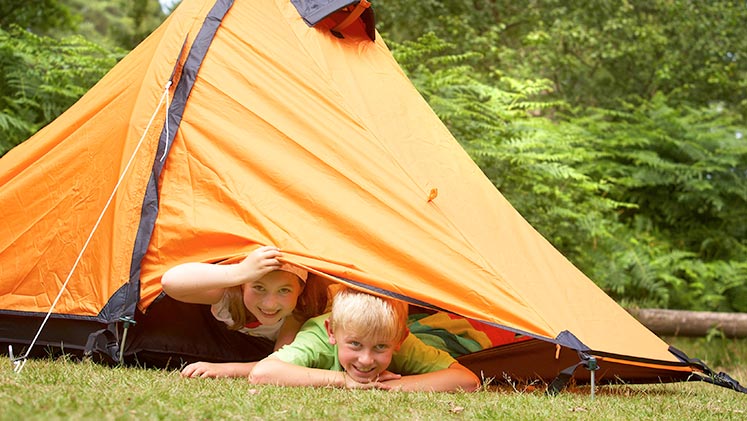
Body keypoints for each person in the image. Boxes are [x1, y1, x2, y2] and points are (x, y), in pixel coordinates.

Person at [249, 287, 481, 392]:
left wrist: (389, 386)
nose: (366, 359)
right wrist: (344, 380)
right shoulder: (318, 338)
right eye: (355, 345)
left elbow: (467, 380)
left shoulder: (400, 340)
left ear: (399, 339)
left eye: (380, 347)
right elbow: (262, 373)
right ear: (333, 333)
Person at [160, 245, 329, 378]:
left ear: (300, 290)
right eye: (258, 287)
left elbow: (280, 365)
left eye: (284, 290)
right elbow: (170, 282)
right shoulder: (229, 296)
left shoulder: (296, 315)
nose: (270, 304)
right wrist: (240, 271)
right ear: (242, 284)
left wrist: (224, 369)